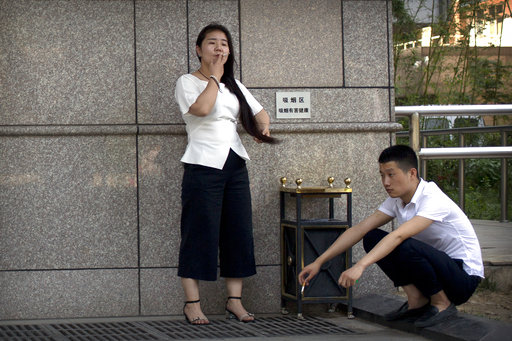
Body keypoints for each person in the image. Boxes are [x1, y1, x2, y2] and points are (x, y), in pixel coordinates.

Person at [298, 145, 484, 328]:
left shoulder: (432, 198)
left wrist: (360, 266)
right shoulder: (397, 200)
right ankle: (416, 300)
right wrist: (319, 262)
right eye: (382, 175)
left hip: (463, 278)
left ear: (412, 173)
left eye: (391, 174)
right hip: (438, 273)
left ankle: (442, 304)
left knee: (403, 243)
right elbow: (360, 229)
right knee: (372, 237)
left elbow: (398, 236)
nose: (385, 182)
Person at [174, 23, 276, 325]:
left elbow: (260, 111)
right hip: (202, 163)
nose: (219, 48)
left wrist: (263, 126)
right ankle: (192, 303)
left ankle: (235, 301)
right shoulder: (187, 82)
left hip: (235, 163)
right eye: (212, 43)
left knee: (238, 231)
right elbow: (202, 109)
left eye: (224, 44)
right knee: (198, 231)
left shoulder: (235, 84)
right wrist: (215, 79)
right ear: (198, 49)